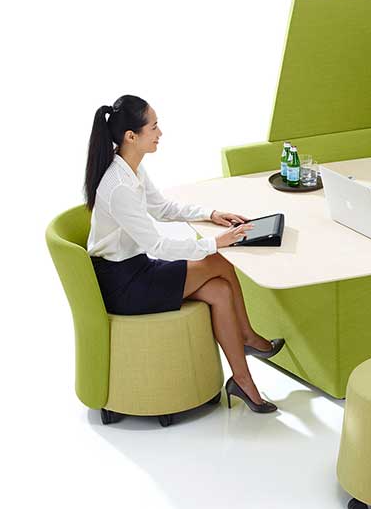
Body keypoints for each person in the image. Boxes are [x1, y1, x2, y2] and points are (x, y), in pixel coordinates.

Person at [84, 94, 283, 413]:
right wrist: (216, 243)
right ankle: (247, 337)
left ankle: (242, 381)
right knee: (220, 261)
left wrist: (211, 214)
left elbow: (162, 208)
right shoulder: (118, 185)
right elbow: (157, 245)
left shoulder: (131, 168)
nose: (160, 133)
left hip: (136, 269)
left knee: (219, 290)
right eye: (154, 127)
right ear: (131, 136)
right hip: (123, 284)